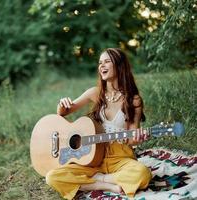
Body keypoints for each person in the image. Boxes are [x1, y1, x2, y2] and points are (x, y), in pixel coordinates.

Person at [45, 48, 152, 200]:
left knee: (143, 174)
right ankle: (104, 184)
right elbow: (63, 113)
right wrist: (62, 103)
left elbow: (132, 137)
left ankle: (94, 181)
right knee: (52, 177)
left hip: (119, 157)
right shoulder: (94, 93)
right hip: (91, 157)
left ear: (120, 65)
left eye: (107, 61)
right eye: (100, 62)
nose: (102, 65)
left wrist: (139, 138)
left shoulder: (133, 100)